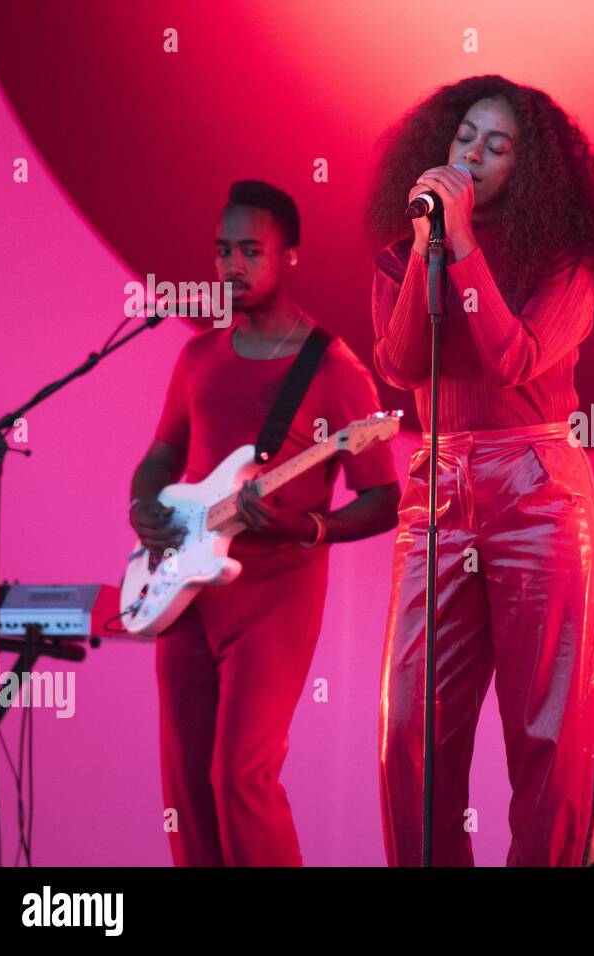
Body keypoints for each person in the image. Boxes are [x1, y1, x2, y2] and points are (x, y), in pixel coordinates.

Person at [367, 75, 594, 866]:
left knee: (547, 729)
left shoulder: (568, 261)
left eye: (497, 145)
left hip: (538, 486)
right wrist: (428, 249)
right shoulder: (403, 253)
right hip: (439, 483)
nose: (473, 156)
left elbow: (514, 360)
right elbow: (403, 364)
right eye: (464, 139)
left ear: (531, 168)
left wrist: (468, 249)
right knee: (411, 726)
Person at [130, 180, 400, 865]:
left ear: (290, 258)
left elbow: (385, 497)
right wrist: (143, 507)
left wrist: (311, 529)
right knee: (187, 785)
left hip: (275, 592)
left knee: (239, 777)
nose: (232, 265)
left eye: (252, 250)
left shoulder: (337, 370)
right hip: (184, 590)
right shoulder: (197, 357)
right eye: (224, 250)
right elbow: (161, 458)